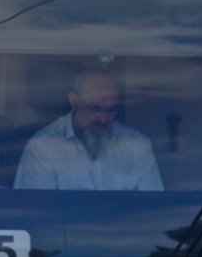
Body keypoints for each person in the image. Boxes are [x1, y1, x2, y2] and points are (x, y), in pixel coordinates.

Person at [14, 64, 162, 191]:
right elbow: (37, 210)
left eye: (111, 110)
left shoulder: (137, 146)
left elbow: (153, 209)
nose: (103, 119)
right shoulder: (44, 146)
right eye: (95, 108)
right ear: (74, 101)